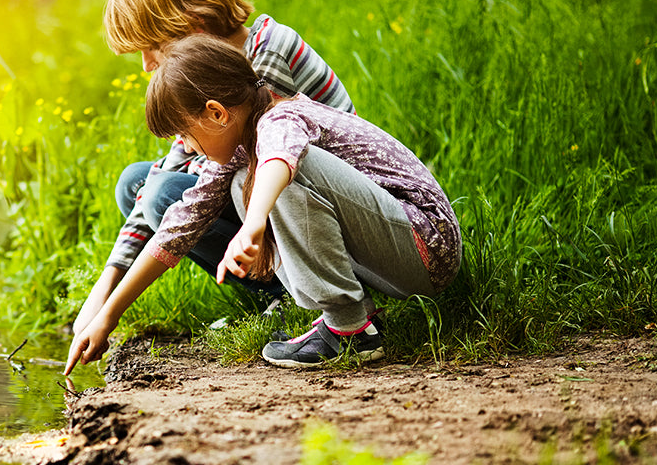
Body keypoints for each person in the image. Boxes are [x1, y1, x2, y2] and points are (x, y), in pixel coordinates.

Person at [65, 36, 461, 372]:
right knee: (242, 181)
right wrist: (108, 315)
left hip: (426, 246)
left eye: (185, 134)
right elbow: (177, 228)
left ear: (216, 113)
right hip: (389, 254)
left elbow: (279, 163)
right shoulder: (239, 147)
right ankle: (354, 317)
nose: (185, 147)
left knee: (279, 175)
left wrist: (253, 225)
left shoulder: (281, 117)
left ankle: (350, 329)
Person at [68, 0, 356, 354]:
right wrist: (103, 289)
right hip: (273, 199)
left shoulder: (264, 57)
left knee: (171, 197)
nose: (147, 64)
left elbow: (203, 192)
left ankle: (309, 290)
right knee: (138, 184)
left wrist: (112, 311)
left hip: (328, 214)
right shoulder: (209, 74)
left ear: (193, 28)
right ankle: (277, 295)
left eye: (153, 47)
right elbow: (166, 171)